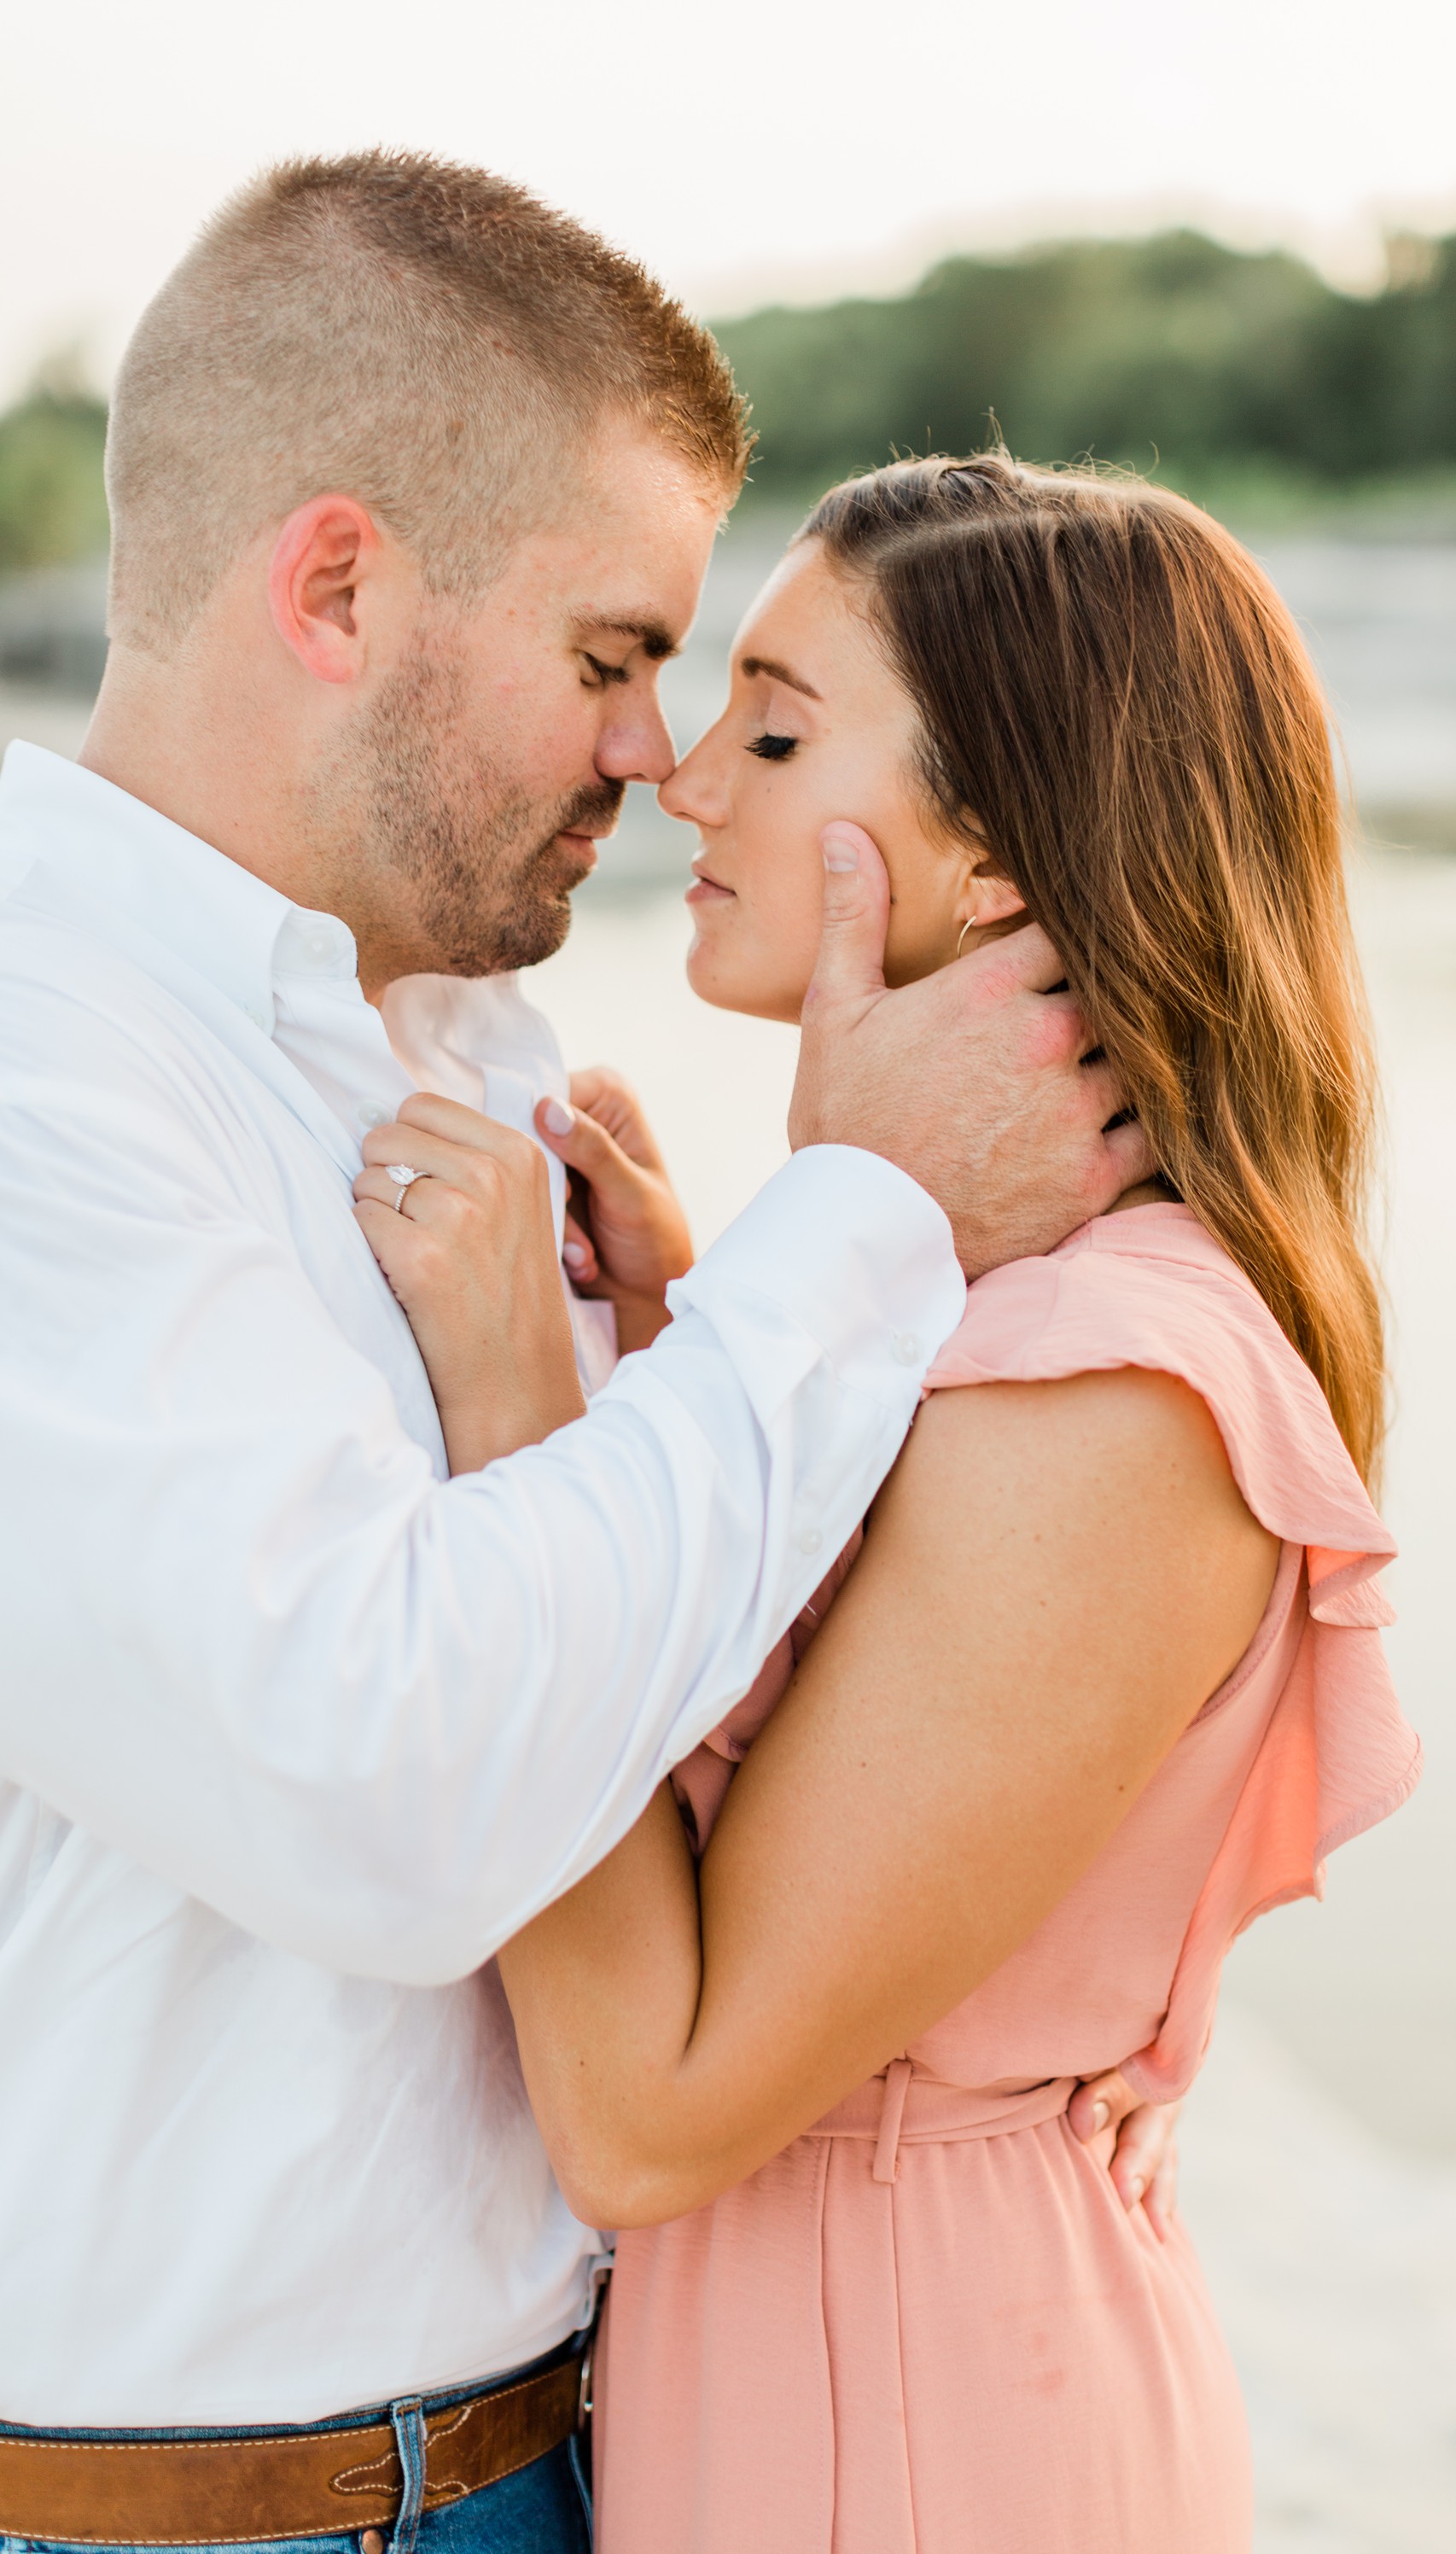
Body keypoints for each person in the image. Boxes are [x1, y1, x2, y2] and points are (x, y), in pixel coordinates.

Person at [0, 163, 1153, 2554]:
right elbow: (388, 1786)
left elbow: (615, 1659)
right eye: (616, 654)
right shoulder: (41, 1070)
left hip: (573, 2458)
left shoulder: (462, 1032)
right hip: (183, 2523)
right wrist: (868, 1227)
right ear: (336, 589)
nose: (654, 753)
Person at [370, 454, 1423, 2552]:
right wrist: (704, 1339)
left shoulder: (1111, 1385)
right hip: (824, 2371)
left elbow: (648, 2108)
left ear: (1005, 859)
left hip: (920, 2423)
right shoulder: (997, 1308)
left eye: (773, 726)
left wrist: (518, 1409)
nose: (681, 776)